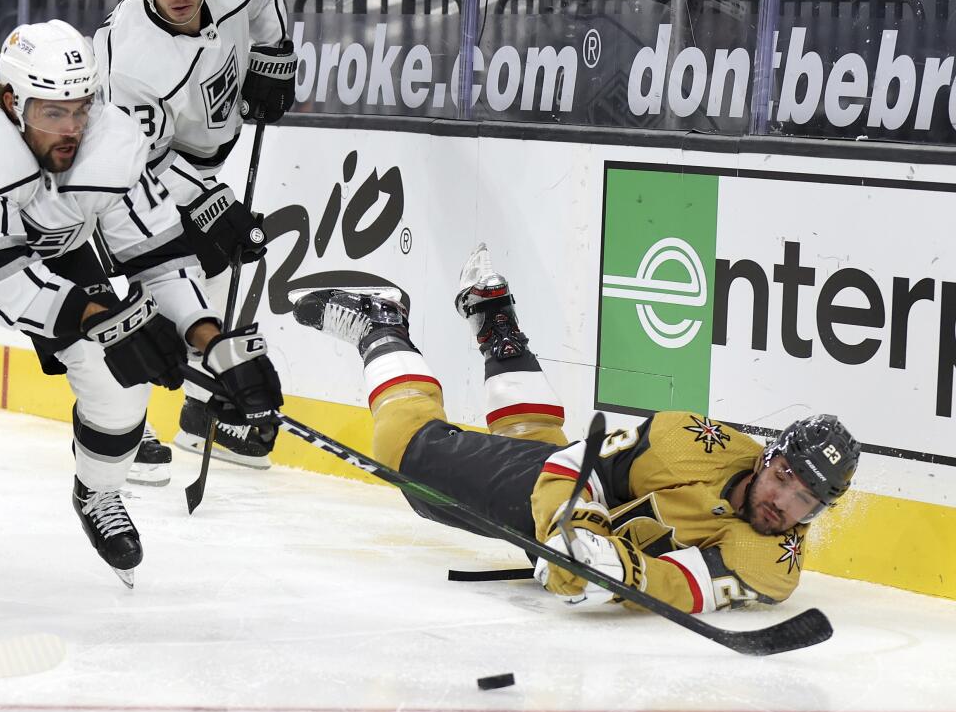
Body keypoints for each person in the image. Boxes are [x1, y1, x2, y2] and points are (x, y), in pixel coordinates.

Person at [0, 19, 282, 595]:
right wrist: (107, 318)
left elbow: (155, 247)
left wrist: (211, 340)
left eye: (81, 109)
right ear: (13, 102)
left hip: (45, 240)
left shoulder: (113, 139)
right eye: (53, 113)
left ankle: (99, 490)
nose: (72, 129)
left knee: (118, 378)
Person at [290, 244, 860, 612]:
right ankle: (380, 326)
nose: (783, 503)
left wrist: (609, 570)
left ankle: (496, 322)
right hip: (572, 491)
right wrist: (571, 526)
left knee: (528, 447)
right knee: (405, 457)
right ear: (768, 457)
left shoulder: (774, 564)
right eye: (785, 476)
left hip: (591, 516)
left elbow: (679, 585)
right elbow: (569, 465)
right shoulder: (688, 443)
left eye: (805, 499)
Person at [93, 0, 297, 475]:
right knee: (146, 295)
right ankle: (119, 429)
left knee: (221, 277)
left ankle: (203, 414)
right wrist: (208, 198)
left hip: (203, 158)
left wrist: (272, 56)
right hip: (127, 179)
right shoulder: (127, 57)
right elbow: (135, 161)